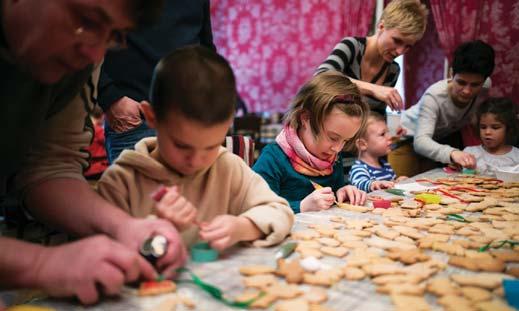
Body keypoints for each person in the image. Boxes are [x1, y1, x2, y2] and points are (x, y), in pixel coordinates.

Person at [0, 0, 187, 305]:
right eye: (86, 20)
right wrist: (40, 264)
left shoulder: (84, 56)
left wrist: (123, 226)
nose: (94, 54)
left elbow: (50, 166)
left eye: (113, 35)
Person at [96, 45, 294, 250]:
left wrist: (242, 226)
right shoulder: (121, 182)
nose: (196, 161)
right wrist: (158, 230)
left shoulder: (228, 168)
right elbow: (99, 256)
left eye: (211, 146)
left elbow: (280, 211)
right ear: (151, 116)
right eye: (182, 146)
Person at [99, 0, 217, 163]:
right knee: (134, 188)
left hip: (192, 116)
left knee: (192, 189)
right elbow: (90, 35)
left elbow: (205, 46)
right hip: (135, 117)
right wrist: (110, 97)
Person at [253, 71, 369, 214]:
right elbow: (257, 209)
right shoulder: (273, 159)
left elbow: (334, 200)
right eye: (333, 137)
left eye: (346, 140)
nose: (338, 149)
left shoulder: (334, 158)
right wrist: (301, 206)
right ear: (305, 118)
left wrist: (342, 192)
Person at [316, 0, 428, 115]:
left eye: (407, 46)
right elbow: (321, 77)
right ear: (381, 26)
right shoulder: (351, 46)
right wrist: (373, 89)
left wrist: (383, 129)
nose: (400, 51)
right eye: (397, 40)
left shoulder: (393, 70)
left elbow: (376, 115)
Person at [399, 40, 495, 170]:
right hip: (407, 140)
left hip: (438, 140)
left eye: (475, 85)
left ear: (484, 81)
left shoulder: (485, 86)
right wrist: (452, 153)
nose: (467, 91)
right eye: (461, 82)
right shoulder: (434, 97)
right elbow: (420, 142)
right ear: (451, 74)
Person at [349, 111, 407, 192]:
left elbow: (390, 187)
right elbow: (359, 184)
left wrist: (397, 181)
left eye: (388, 132)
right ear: (362, 144)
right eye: (383, 134)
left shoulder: (385, 165)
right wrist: (373, 184)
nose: (389, 137)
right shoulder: (359, 168)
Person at [463, 97, 519, 174]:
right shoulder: (470, 153)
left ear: (508, 128)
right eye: (483, 127)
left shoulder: (516, 156)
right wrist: (469, 169)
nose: (487, 132)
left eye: (495, 127)